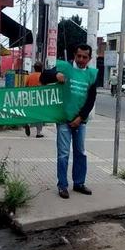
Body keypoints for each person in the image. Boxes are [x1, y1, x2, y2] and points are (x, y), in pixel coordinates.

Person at [40, 44, 98, 199]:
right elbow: (42, 78)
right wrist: (55, 76)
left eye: (85, 57)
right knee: (63, 154)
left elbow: (91, 100)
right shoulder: (64, 67)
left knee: (80, 153)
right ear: (74, 55)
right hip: (64, 120)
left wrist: (80, 118)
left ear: (89, 59)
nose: (81, 59)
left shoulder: (92, 75)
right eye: (79, 56)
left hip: (81, 121)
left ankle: (79, 183)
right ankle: (62, 186)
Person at [24, 61, 44, 138]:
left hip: (30, 98)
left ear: (34, 68)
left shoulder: (30, 76)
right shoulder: (43, 76)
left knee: (31, 113)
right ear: (41, 68)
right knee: (40, 116)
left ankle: (28, 124)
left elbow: (25, 87)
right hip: (40, 99)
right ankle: (38, 133)